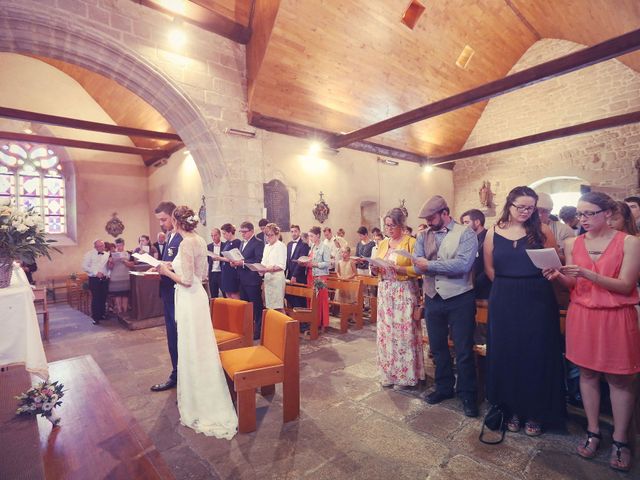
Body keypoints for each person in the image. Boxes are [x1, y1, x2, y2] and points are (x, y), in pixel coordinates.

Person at [544, 192, 640, 471]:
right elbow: (574, 286)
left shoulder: (630, 243)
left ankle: (621, 439)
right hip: (583, 315)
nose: (582, 219)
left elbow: (626, 286)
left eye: (589, 213)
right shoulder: (573, 242)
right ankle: (593, 430)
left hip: (616, 316)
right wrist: (558, 276)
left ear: (607, 214)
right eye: (580, 214)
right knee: (586, 374)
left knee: (619, 379)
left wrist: (589, 274)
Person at [483, 186, 565, 436]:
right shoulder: (493, 231)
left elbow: (555, 266)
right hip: (504, 298)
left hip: (537, 298)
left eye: (530, 208)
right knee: (508, 353)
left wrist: (549, 275)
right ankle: (512, 408)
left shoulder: (542, 231)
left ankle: (536, 411)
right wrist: (508, 287)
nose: (525, 212)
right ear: (509, 205)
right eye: (521, 207)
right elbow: (489, 268)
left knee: (536, 353)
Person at [157, 206, 238, 439]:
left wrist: (165, 271)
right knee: (201, 346)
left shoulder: (184, 243)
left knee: (191, 345)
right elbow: (200, 275)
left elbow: (186, 280)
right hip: (199, 298)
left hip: (188, 298)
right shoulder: (200, 240)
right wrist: (173, 266)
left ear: (176, 221)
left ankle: (197, 397)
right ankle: (203, 389)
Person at [413, 196, 479, 417]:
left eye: (432, 217)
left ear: (444, 213)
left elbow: (463, 264)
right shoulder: (423, 235)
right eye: (427, 219)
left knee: (463, 349)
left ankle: (468, 394)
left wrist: (430, 265)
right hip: (432, 297)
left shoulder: (465, 233)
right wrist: (424, 266)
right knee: (438, 347)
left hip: (460, 297)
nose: (429, 222)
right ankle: (444, 388)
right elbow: (417, 265)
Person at [373, 208, 423, 389]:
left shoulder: (411, 242)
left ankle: (405, 375)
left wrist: (400, 269)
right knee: (387, 334)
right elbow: (379, 264)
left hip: (403, 291)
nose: (388, 229)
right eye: (386, 226)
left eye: (392, 226)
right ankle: (389, 373)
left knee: (403, 333)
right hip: (386, 291)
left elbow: (419, 269)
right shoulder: (383, 244)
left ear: (401, 225)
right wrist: (375, 267)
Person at [150, 201, 182, 392]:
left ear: (174, 216)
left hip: (178, 294)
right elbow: (170, 261)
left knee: (179, 337)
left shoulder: (182, 238)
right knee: (172, 338)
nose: (162, 224)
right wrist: (158, 266)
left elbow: (185, 267)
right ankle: (176, 373)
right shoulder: (170, 236)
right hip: (168, 293)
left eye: (164, 219)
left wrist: (166, 268)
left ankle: (180, 375)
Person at [231, 221, 265, 339]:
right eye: (241, 232)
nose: (243, 234)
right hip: (242, 278)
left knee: (256, 306)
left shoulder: (258, 243)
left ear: (251, 231)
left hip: (252, 279)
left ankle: (258, 331)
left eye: (244, 232)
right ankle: (248, 329)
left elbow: (258, 260)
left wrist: (242, 263)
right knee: (246, 306)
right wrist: (235, 263)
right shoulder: (241, 243)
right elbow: (241, 258)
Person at [298, 226, 331, 334]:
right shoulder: (312, 246)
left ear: (317, 235)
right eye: (309, 236)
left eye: (312, 236)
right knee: (312, 300)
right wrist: (304, 262)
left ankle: (323, 323)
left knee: (321, 300)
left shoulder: (324, 247)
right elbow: (310, 258)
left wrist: (315, 264)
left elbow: (327, 263)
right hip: (310, 274)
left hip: (320, 276)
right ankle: (314, 321)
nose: (310, 238)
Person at [460, 208, 491, 301]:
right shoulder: (467, 239)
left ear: (477, 222)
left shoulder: (489, 237)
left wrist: (476, 283)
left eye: (466, 222)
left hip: (485, 287)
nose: (463, 226)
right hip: (469, 286)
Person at [536, 192, 575, 259]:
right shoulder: (522, 228)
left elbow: (573, 258)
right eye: (536, 211)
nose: (539, 215)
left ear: (550, 212)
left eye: (544, 211)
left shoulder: (564, 230)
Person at [82, 239, 111, 325]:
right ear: (95, 247)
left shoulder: (107, 254)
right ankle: (95, 317)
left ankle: (102, 314)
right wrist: (95, 273)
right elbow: (84, 266)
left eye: (101, 246)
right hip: (94, 279)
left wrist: (108, 274)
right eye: (98, 246)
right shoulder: (89, 254)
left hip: (105, 279)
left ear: (104, 246)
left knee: (103, 298)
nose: (100, 248)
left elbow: (108, 268)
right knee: (96, 298)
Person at [260, 223, 287, 311]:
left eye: (271, 235)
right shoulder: (266, 247)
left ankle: (285, 324)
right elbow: (263, 262)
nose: (268, 237)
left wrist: (267, 269)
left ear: (277, 235)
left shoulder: (280, 246)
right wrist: (259, 269)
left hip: (277, 279)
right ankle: (273, 324)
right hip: (268, 279)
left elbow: (281, 265)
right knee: (268, 306)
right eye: (267, 235)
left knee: (278, 306)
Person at [285, 224, 310, 308]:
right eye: (292, 232)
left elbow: (301, 262)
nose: (293, 233)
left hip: (299, 276)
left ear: (299, 232)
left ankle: (303, 319)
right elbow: (287, 260)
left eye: (295, 231)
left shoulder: (304, 245)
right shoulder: (289, 244)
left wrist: (295, 275)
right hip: (289, 275)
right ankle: (294, 316)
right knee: (289, 295)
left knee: (299, 298)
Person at [108, 238, 134, 315]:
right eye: (117, 245)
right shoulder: (112, 254)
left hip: (125, 276)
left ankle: (125, 311)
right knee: (117, 295)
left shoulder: (129, 253)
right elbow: (109, 267)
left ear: (123, 245)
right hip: (115, 277)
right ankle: (119, 312)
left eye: (120, 245)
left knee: (125, 295)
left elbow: (132, 265)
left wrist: (124, 261)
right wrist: (111, 262)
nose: (119, 247)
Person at [217, 223, 241, 300]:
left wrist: (219, 258)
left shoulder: (237, 242)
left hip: (232, 272)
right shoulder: (226, 243)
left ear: (230, 233)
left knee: (234, 294)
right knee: (227, 294)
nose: (223, 236)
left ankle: (237, 311)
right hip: (226, 272)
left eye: (224, 233)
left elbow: (235, 258)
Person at [207, 227, 225, 299]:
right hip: (212, 273)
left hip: (222, 272)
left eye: (215, 235)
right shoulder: (209, 246)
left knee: (225, 293)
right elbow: (207, 260)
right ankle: (214, 310)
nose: (213, 237)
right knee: (213, 295)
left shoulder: (225, 245)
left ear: (220, 235)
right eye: (212, 235)